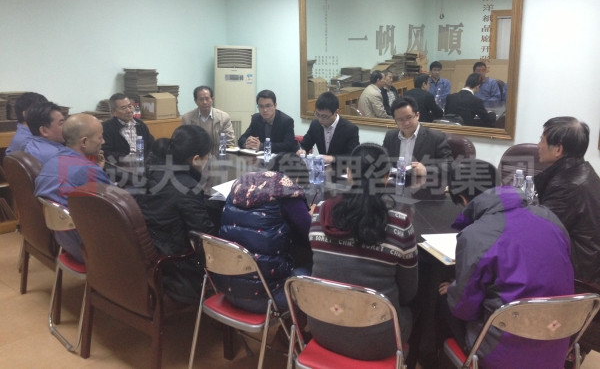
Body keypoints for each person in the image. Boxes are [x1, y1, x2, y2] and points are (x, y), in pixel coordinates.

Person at [439, 159, 573, 369]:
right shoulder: (551, 218)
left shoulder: (476, 235)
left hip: (502, 354)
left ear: (463, 199)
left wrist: (453, 289)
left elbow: (464, 309)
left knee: (445, 301)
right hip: (556, 342)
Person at [309, 143, 418, 360]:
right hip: (377, 342)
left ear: (349, 174)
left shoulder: (320, 213)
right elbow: (408, 293)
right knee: (416, 309)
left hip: (321, 328)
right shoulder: (399, 224)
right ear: (386, 177)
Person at [217, 152, 312, 313]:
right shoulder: (288, 193)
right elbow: (311, 237)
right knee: (320, 266)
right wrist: (309, 216)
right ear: (296, 178)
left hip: (226, 287)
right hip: (267, 297)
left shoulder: (240, 186)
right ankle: (303, 328)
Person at [136, 125, 218, 304]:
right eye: (207, 156)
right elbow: (203, 236)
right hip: (176, 270)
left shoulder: (152, 170)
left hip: (148, 256)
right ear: (196, 159)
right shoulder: (186, 187)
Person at [34, 113, 110, 264]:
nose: (103, 141)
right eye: (100, 137)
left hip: (66, 242)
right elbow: (117, 207)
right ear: (84, 142)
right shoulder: (88, 171)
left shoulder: (52, 162)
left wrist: (96, 170)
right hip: (93, 249)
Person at [534, 116, 600, 285]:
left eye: (542, 140)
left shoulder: (568, 187)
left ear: (558, 149)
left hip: (578, 277)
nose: (538, 145)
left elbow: (539, 234)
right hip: (586, 265)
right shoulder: (583, 171)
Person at [382, 96, 452, 179]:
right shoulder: (390, 136)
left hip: (422, 184)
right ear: (395, 121)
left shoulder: (436, 137)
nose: (406, 123)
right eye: (400, 120)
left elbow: (449, 165)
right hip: (396, 183)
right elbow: (382, 160)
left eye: (409, 117)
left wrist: (426, 170)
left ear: (417, 115)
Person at [297, 91, 359, 164]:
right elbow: (305, 144)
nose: (320, 119)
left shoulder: (350, 129)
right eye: (317, 114)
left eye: (324, 116)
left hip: (341, 168)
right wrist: (302, 150)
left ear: (336, 112)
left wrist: (333, 158)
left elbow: (353, 156)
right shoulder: (315, 124)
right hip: (322, 168)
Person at [181, 86, 235, 155]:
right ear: (195, 101)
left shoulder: (224, 117)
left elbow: (229, 143)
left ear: (212, 99)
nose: (204, 102)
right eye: (201, 99)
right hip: (196, 157)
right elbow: (185, 143)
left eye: (207, 99)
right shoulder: (187, 118)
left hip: (218, 157)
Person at [102, 93, 155, 163]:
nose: (129, 111)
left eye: (130, 106)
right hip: (121, 166)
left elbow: (151, 145)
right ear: (113, 112)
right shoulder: (106, 128)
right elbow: (106, 153)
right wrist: (123, 160)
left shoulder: (140, 124)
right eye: (123, 108)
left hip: (143, 163)